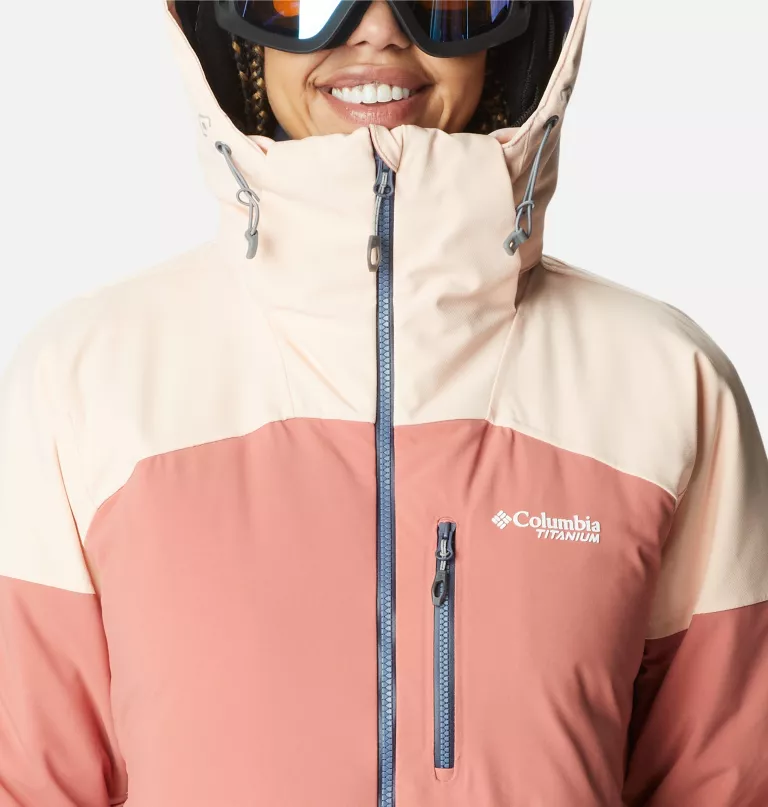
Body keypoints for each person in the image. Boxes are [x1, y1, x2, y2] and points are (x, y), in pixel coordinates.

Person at [0, 1, 766, 805]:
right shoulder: (85, 383)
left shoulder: (665, 385)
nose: (378, 29)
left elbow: (727, 782)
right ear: (234, 30)